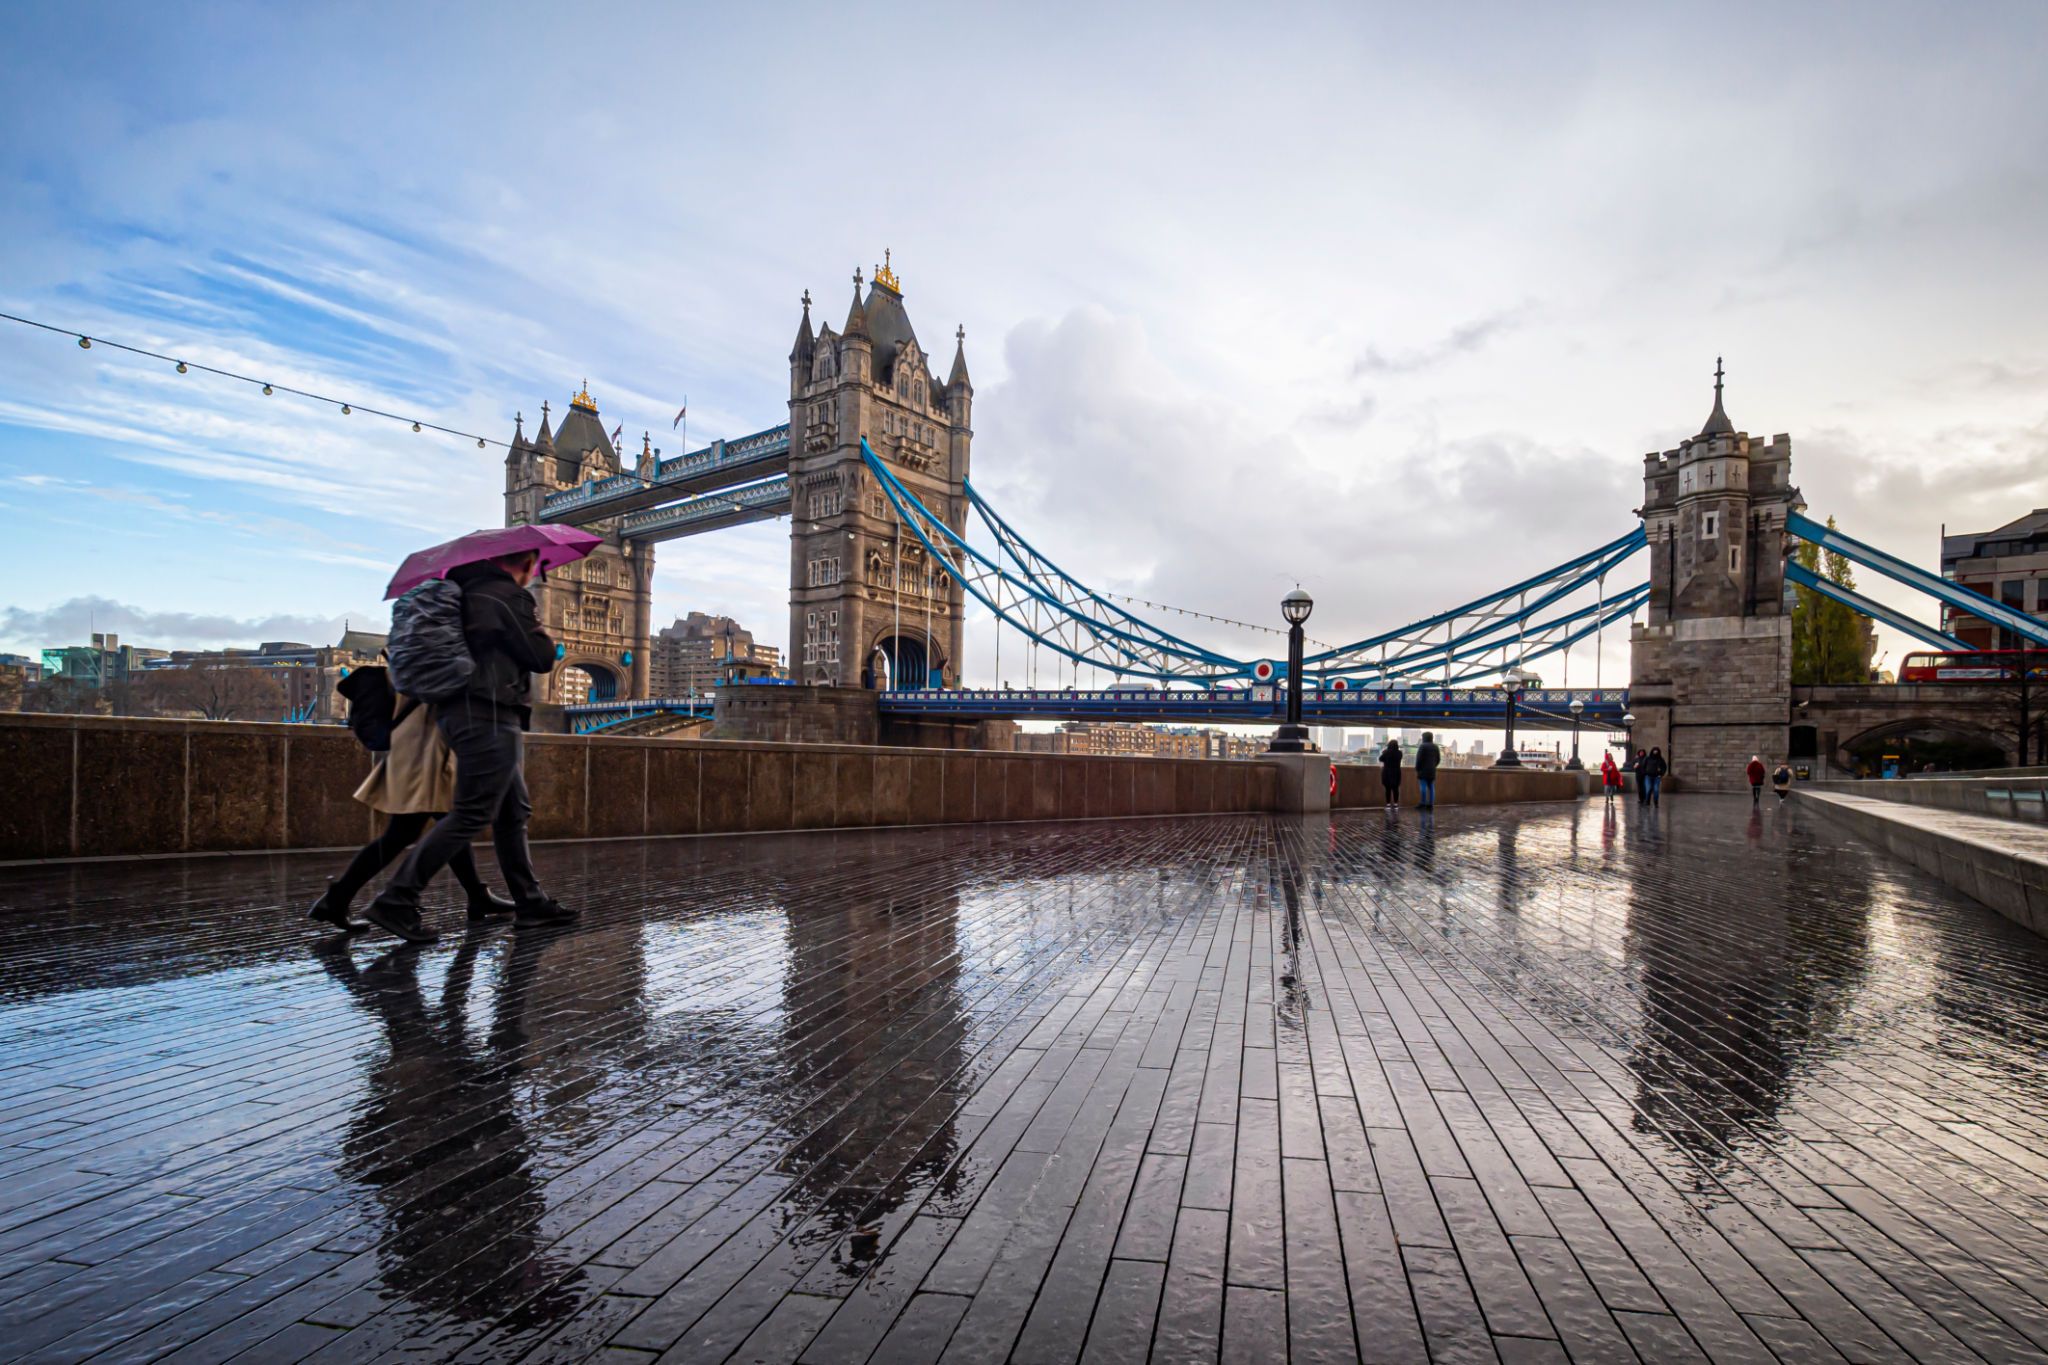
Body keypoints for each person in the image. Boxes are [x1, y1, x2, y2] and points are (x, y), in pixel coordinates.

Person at [365, 550, 574, 943]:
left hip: (457, 709)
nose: (536, 574)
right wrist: (539, 630)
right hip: (490, 710)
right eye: (536, 566)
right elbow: (541, 657)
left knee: (512, 810)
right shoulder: (504, 595)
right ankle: (397, 899)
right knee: (473, 812)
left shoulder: (461, 591)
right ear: (526, 561)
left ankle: (530, 903)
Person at [308, 680, 516, 931]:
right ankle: (348, 899)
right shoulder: (430, 643)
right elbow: (446, 678)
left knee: (446, 822)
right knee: (410, 830)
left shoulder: (409, 644)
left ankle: (477, 895)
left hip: (425, 735)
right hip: (427, 740)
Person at [1414, 732, 1441, 811]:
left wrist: (1417, 768)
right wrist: (1433, 766)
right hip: (1432, 770)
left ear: (1424, 738)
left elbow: (1419, 759)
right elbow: (1438, 759)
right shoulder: (1436, 747)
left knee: (1423, 787)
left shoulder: (1422, 746)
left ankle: (1423, 803)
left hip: (1423, 770)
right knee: (1431, 787)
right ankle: (1431, 804)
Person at [1379, 737, 1403, 809]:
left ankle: (1388, 804)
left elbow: (1380, 759)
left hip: (1387, 773)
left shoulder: (1386, 752)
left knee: (1388, 789)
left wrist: (1384, 752)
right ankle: (1396, 804)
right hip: (1396, 773)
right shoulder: (1399, 753)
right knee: (1396, 789)